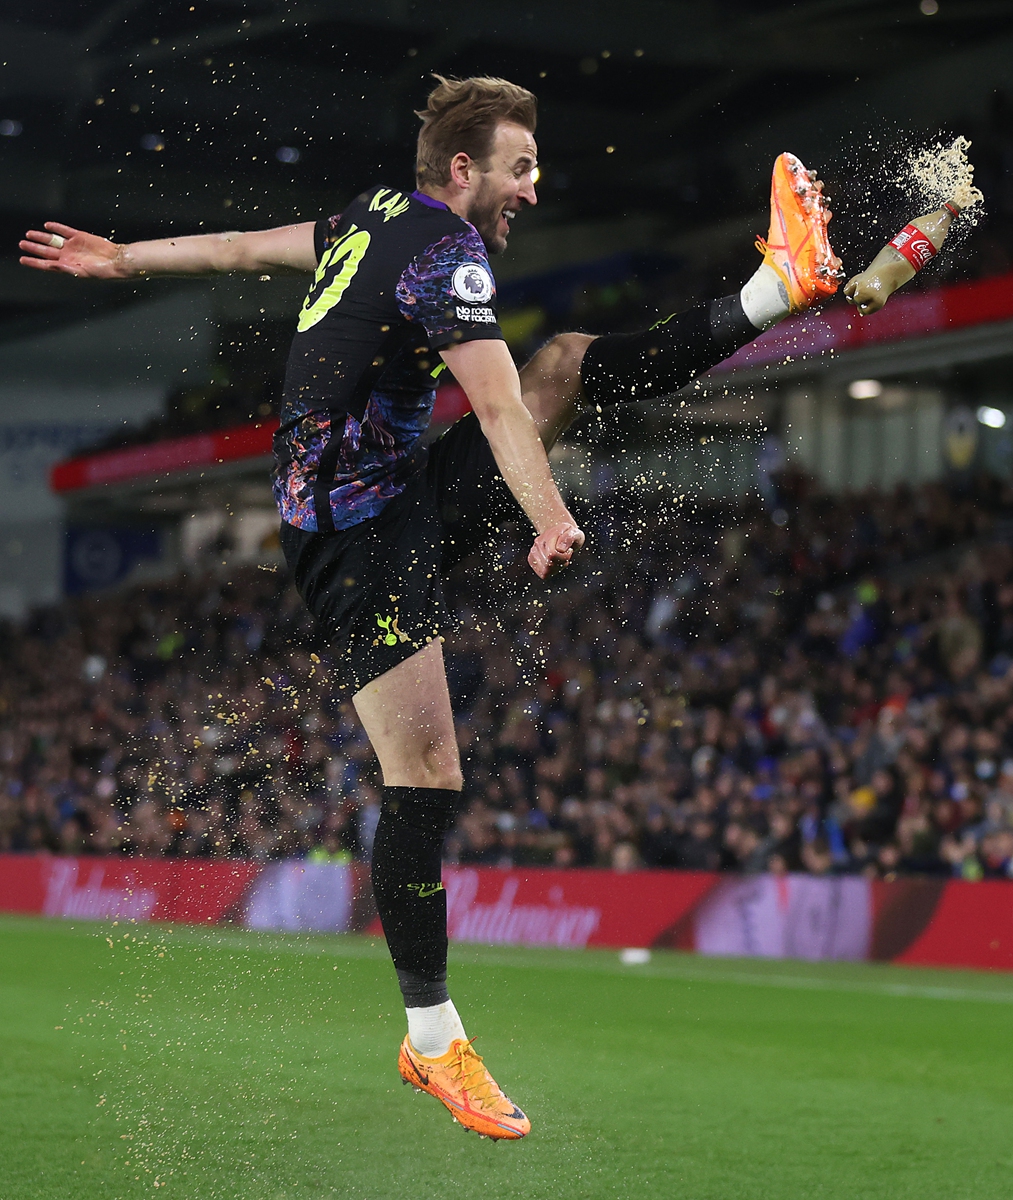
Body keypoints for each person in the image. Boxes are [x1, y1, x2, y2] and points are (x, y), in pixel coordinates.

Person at [20, 74, 840, 1140]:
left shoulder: (370, 215)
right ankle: (430, 1037)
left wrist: (125, 258)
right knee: (426, 776)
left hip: (391, 501)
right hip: (355, 546)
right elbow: (492, 407)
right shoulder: (441, 251)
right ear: (463, 172)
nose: (532, 190)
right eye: (518, 169)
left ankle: (775, 288)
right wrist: (546, 518)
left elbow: (238, 247)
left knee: (566, 363)